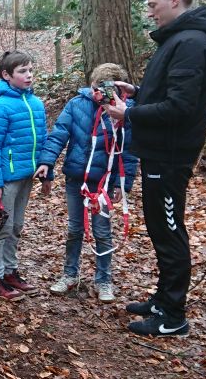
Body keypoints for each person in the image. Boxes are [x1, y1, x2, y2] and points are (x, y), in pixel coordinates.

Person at [104, 0, 206, 337]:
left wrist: (129, 113)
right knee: (158, 227)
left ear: (174, 0)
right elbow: (169, 90)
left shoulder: (191, 43)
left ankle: (173, 313)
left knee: (168, 230)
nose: (149, 13)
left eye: (152, 5)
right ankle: (162, 299)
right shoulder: (177, 40)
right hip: (158, 151)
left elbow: (181, 107)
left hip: (170, 155)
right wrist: (135, 91)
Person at [34, 63, 138, 302]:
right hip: (76, 178)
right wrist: (47, 161)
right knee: (74, 229)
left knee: (102, 231)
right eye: (95, 88)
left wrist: (125, 185)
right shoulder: (77, 105)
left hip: (103, 182)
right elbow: (59, 133)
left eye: (104, 89)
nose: (98, 94)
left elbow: (130, 151)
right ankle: (70, 274)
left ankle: (104, 280)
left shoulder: (125, 112)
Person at [0, 50, 48, 300]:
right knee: (1, 227)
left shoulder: (36, 104)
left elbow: (42, 139)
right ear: (6, 75)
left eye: (30, 70)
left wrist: (46, 168)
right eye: (22, 71)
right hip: (6, 179)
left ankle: (10, 272)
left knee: (16, 226)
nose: (29, 75)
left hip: (27, 176)